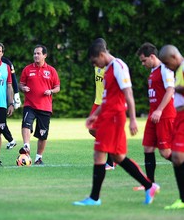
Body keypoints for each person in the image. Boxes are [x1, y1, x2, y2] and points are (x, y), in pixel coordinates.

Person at [73, 39, 159, 206]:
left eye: (94, 61)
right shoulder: (107, 70)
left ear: (101, 54)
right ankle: (149, 185)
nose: (94, 65)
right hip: (106, 117)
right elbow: (106, 99)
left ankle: (94, 198)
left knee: (99, 154)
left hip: (114, 118)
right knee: (118, 157)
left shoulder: (119, 66)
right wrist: (94, 115)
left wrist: (133, 119)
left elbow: (128, 94)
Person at [134, 42, 175, 191]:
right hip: (154, 115)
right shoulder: (153, 71)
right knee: (148, 148)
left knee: (165, 152)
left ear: (152, 56)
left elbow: (170, 90)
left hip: (164, 115)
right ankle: (149, 184)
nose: (143, 64)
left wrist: (159, 110)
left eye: (144, 60)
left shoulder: (165, 69)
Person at [18, 44, 60, 165]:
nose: (36, 55)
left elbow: (57, 87)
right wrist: (23, 88)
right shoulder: (27, 69)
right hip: (30, 104)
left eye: (38, 53)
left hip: (45, 107)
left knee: (42, 134)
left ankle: (38, 158)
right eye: (34, 53)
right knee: (25, 124)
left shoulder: (51, 70)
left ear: (44, 55)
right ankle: (26, 147)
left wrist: (51, 91)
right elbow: (21, 84)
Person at [159, 44, 184, 209]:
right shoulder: (178, 69)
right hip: (179, 117)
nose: (167, 67)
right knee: (176, 158)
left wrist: (174, 88)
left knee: (177, 157)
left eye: (167, 63)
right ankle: (182, 200)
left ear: (174, 57)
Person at [89, 38, 115, 170]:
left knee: (104, 131)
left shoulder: (112, 65)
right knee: (92, 129)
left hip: (106, 104)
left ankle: (110, 162)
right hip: (97, 102)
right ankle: (111, 150)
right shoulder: (98, 65)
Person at [0, 56, 20, 151]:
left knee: (0, 121)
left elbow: (13, 79)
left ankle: (11, 140)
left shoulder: (7, 63)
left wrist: (16, 94)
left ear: (2, 52)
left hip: (3, 96)